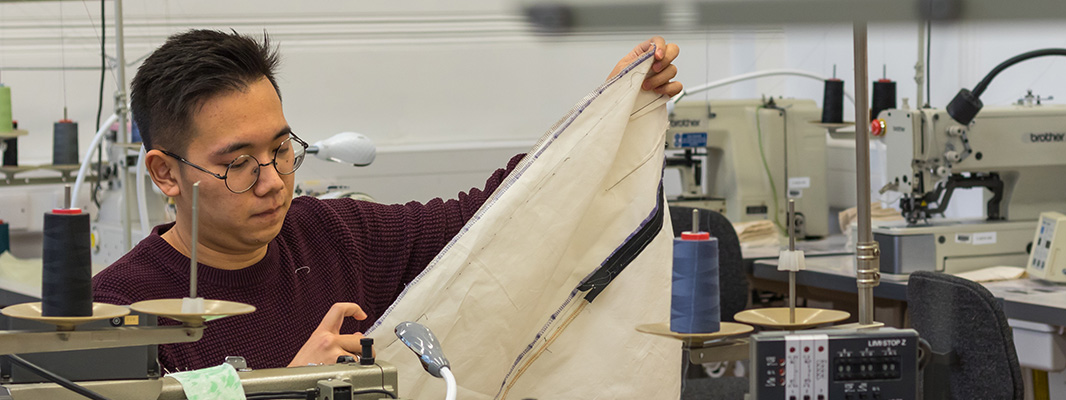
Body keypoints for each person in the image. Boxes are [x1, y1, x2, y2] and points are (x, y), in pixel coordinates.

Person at [92, 29, 681, 371]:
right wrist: (289, 385)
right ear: (165, 174)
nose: (272, 180)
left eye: (281, 149)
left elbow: (483, 219)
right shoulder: (117, 315)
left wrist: (598, 116)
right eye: (237, 164)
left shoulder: (337, 237)